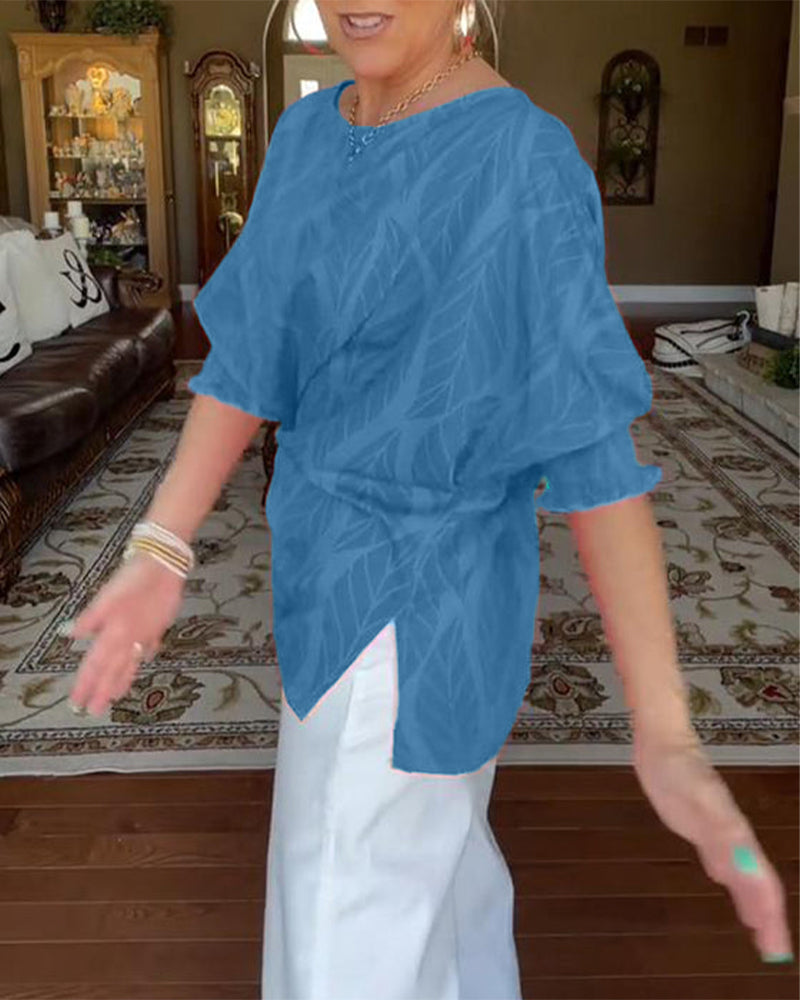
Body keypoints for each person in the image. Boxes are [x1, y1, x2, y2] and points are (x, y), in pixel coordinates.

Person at [66, 1, 794, 997]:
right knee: (439, 893)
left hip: (415, 616)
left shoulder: (521, 161)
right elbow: (251, 357)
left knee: (343, 928)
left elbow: (592, 456)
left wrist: (664, 728)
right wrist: (160, 546)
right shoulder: (308, 131)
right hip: (320, 580)